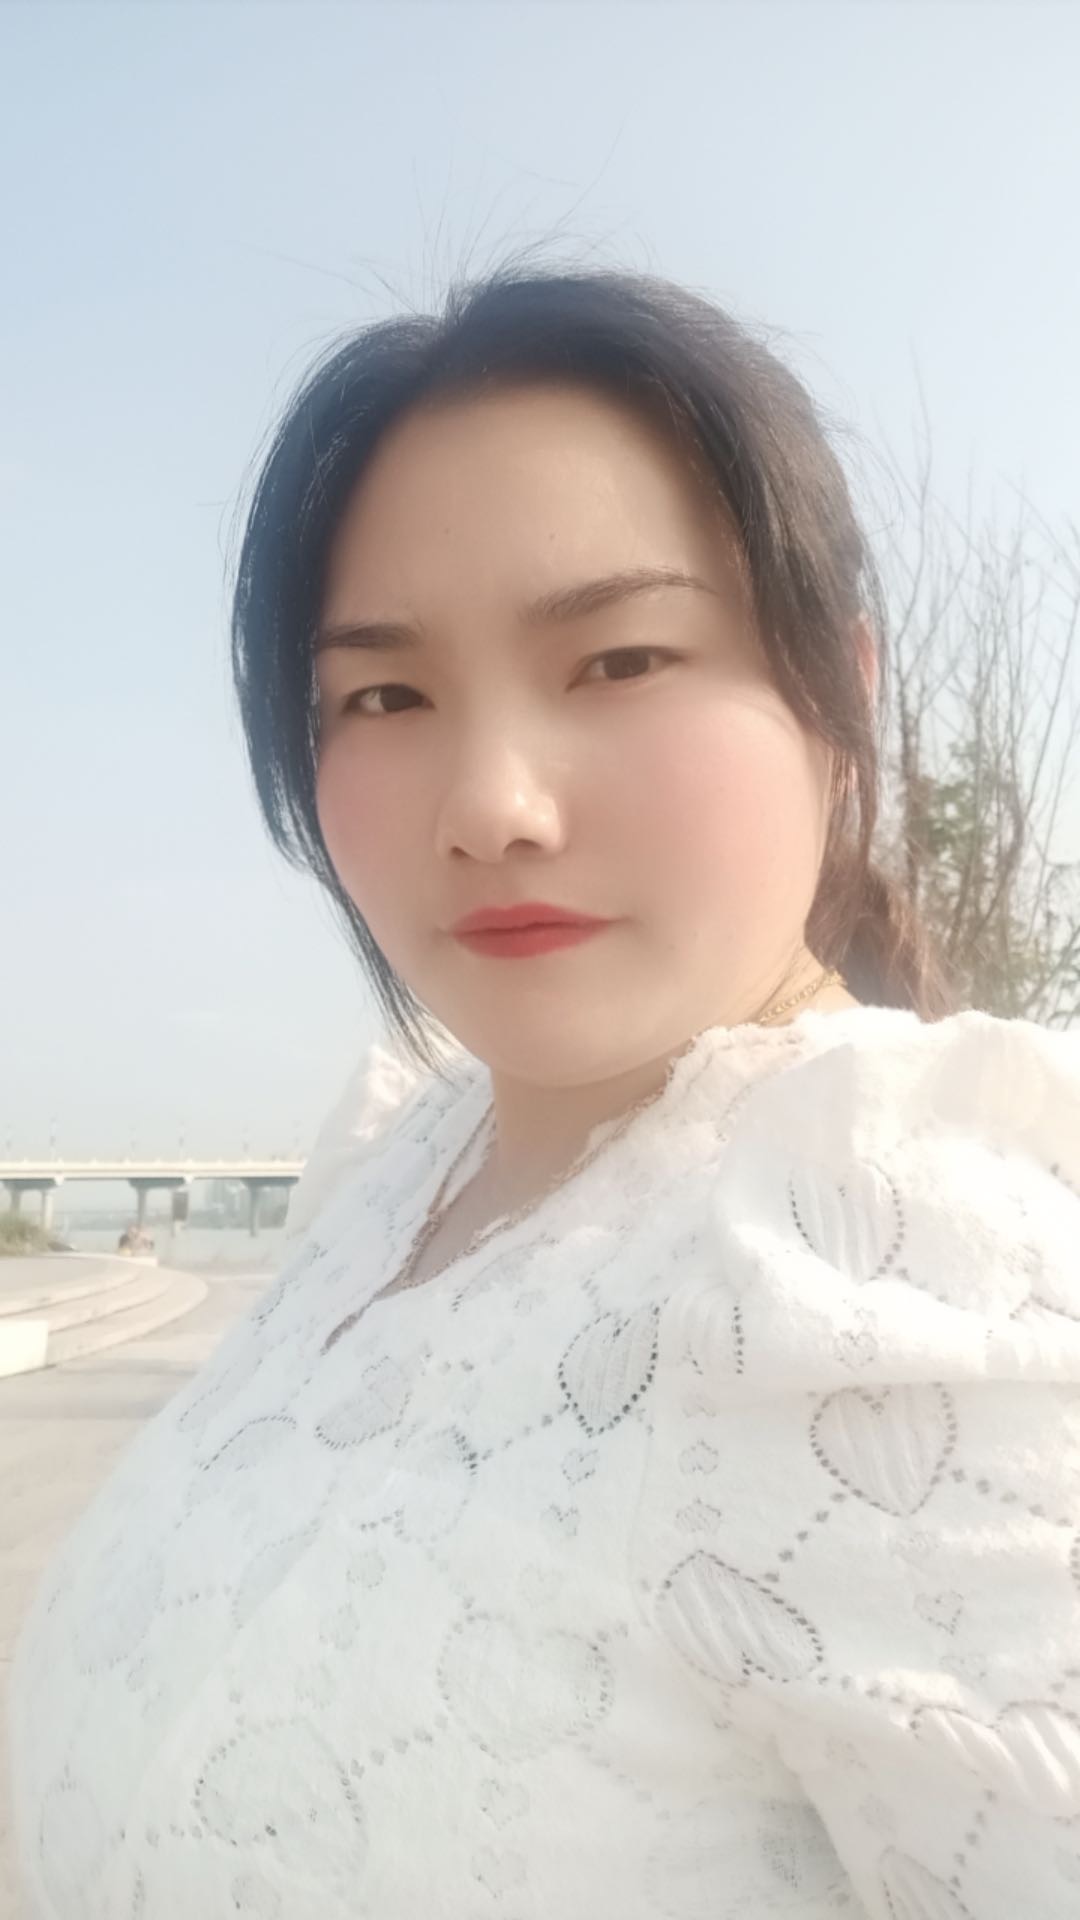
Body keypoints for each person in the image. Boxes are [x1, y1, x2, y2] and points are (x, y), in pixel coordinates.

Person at [8, 258, 1079, 1919]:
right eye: (386, 695)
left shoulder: (900, 1259)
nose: (491, 804)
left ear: (840, 698)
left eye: (621, 659)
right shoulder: (395, 1169)